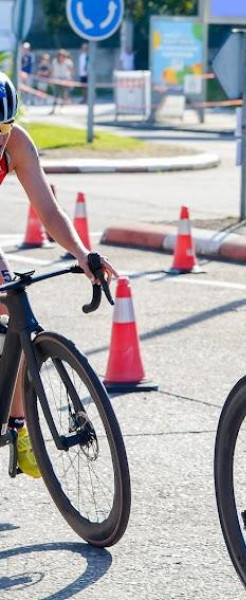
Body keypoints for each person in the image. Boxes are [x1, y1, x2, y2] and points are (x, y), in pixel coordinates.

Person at [0, 73, 118, 478]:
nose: (0, 138)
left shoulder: (17, 143)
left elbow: (48, 212)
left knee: (17, 312)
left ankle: (19, 427)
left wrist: (84, 254)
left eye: (4, 128)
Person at [50, 49, 74, 114]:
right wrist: (52, 78)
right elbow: (52, 70)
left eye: (62, 55)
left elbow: (71, 71)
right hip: (57, 79)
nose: (61, 57)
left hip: (65, 79)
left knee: (64, 95)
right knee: (56, 95)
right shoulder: (54, 61)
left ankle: (61, 109)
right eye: (60, 55)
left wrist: (69, 79)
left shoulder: (68, 62)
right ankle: (53, 109)